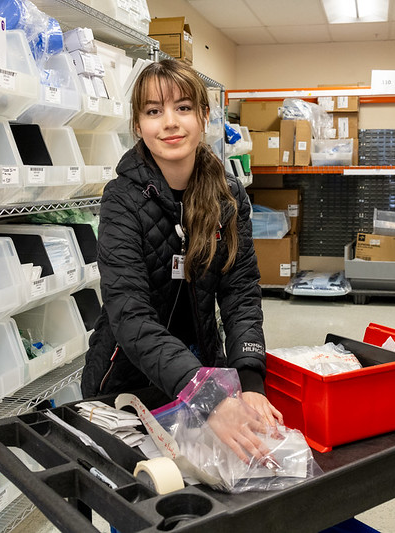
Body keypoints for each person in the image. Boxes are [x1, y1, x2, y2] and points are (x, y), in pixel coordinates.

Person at [81, 59, 283, 464]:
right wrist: (206, 395)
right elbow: (131, 316)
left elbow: (240, 293)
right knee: (141, 502)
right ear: (138, 125)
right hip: (126, 385)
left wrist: (250, 379)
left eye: (184, 108)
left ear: (205, 116)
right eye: (154, 111)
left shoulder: (228, 196)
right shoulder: (121, 200)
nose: (169, 122)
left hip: (205, 370)